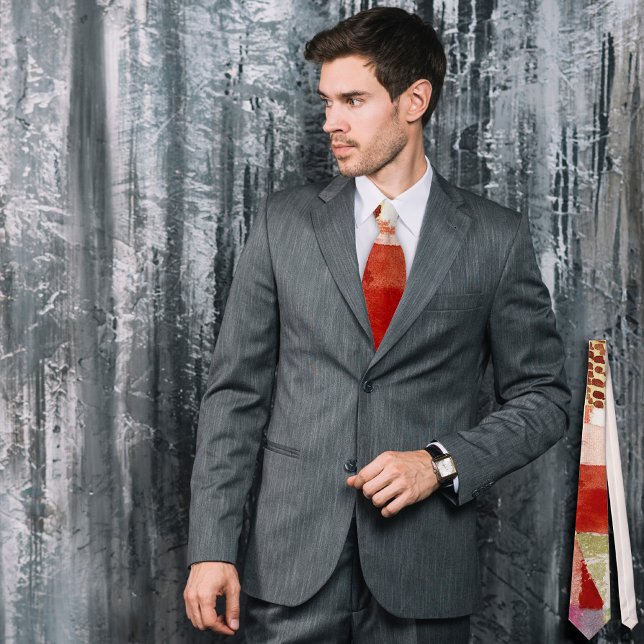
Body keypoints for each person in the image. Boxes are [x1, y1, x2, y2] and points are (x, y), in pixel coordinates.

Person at [183, 7, 570, 643]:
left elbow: (545, 398)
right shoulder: (282, 223)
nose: (330, 122)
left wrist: (439, 464)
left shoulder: (495, 239)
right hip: (290, 565)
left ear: (414, 100)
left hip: (424, 570)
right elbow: (235, 396)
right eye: (327, 101)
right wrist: (211, 546)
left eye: (353, 100)